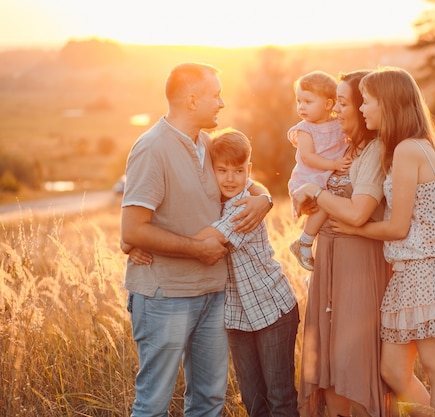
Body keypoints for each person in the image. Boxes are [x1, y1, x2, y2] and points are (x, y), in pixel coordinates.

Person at [120, 63, 273, 417]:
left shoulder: (208, 143)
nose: (221, 102)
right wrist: (196, 249)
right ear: (192, 100)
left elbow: (244, 177)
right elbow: (132, 230)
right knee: (154, 404)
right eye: (215, 94)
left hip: (213, 295)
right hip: (164, 296)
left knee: (208, 402)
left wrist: (264, 199)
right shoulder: (151, 148)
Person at [332, 66, 435, 417]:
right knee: (393, 371)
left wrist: (354, 228)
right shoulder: (407, 147)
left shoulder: (409, 149)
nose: (362, 109)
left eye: (367, 101)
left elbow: (398, 227)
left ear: (388, 103)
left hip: (431, 268)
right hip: (409, 270)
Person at [127, 128, 299, 417]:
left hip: (271, 309)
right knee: (254, 401)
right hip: (238, 315)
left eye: (238, 171)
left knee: (279, 398)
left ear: (249, 171)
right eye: (222, 170)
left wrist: (137, 238)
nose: (230, 178)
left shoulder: (243, 208)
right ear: (211, 172)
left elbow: (204, 241)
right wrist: (136, 237)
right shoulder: (214, 203)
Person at [291, 70, 394, 417]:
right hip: (329, 261)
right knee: (330, 359)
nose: (337, 110)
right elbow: (318, 192)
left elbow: (357, 212)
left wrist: (319, 194)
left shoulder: (377, 150)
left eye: (345, 103)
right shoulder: (346, 147)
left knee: (353, 357)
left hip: (359, 267)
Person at [287, 70, 352, 271]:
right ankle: (304, 242)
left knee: (331, 204)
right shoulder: (305, 129)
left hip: (327, 179)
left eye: (308, 101)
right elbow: (307, 157)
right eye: (299, 101)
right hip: (308, 179)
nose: (301, 107)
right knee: (324, 204)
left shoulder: (338, 125)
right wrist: (334, 165)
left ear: (328, 105)